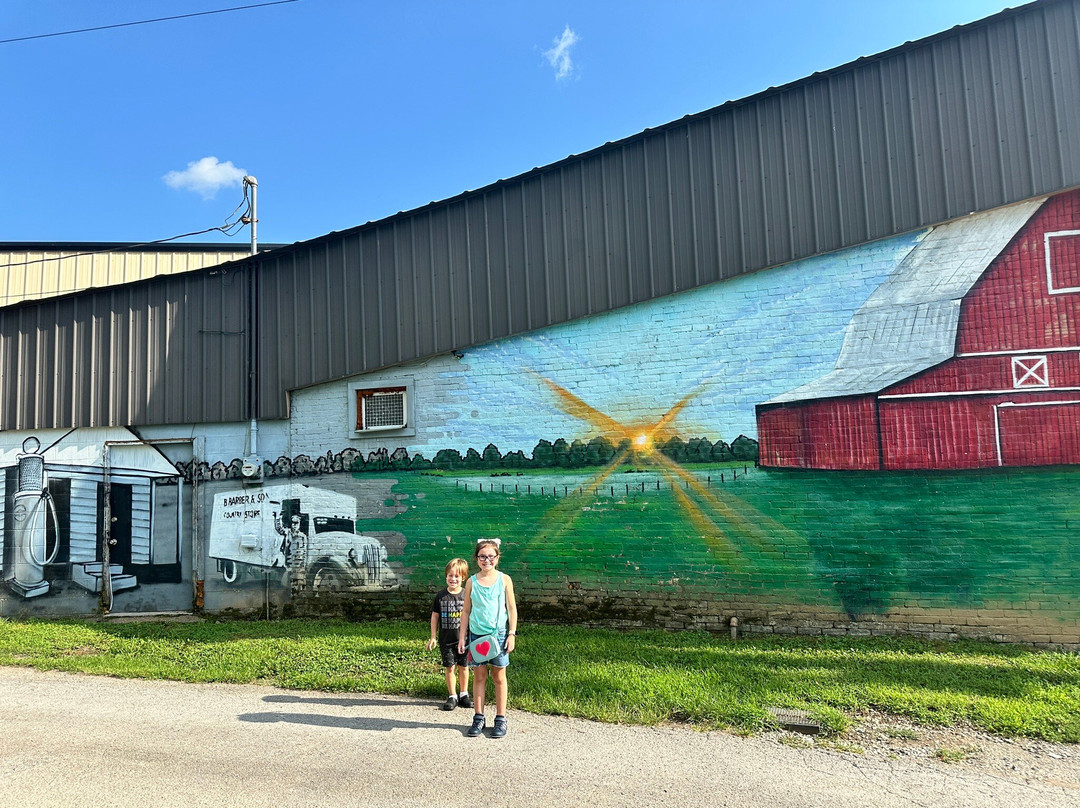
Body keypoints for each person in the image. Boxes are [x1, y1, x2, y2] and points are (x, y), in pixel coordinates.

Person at [458, 539, 517, 739]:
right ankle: (479, 717)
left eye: (491, 556)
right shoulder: (471, 582)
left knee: (499, 677)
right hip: (477, 636)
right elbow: (466, 611)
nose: (487, 560)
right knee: (480, 676)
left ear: (497, 558)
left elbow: (511, 608)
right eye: (483, 556)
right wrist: (462, 637)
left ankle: (500, 719)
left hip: (499, 635)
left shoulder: (504, 580)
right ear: (477, 559)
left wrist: (511, 634)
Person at [426, 558, 471, 711]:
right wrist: (433, 636)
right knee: (450, 667)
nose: (453, 579)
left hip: (464, 640)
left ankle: (464, 694)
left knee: (463, 667)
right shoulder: (440, 596)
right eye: (450, 575)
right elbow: (434, 616)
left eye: (457, 576)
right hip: (446, 641)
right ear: (446, 576)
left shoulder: (467, 595)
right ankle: (452, 695)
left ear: (463, 578)